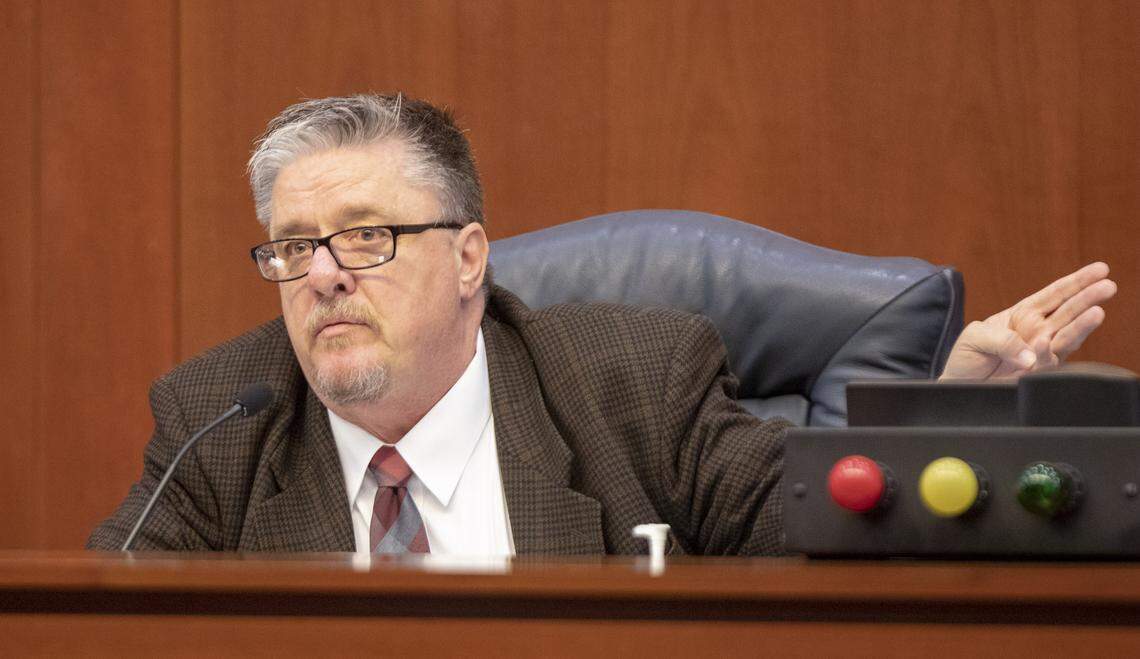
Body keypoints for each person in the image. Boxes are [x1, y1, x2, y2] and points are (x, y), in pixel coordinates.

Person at [87, 94, 1117, 555]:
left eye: (365, 238)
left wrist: (932, 422)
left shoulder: (634, 381)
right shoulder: (218, 425)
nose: (319, 276)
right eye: (291, 245)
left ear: (468, 258)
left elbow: (814, 526)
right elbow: (103, 622)